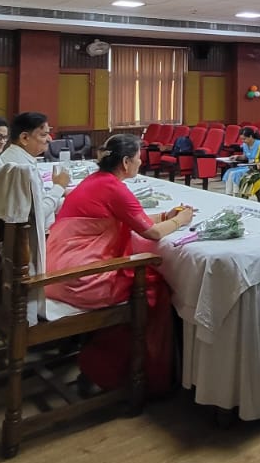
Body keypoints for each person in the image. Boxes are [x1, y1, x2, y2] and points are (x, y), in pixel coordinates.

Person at [47, 134, 193, 395]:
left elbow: (130, 218)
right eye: (138, 158)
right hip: (79, 279)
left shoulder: (96, 181)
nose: (141, 162)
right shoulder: (114, 188)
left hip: (58, 269)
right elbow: (152, 234)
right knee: (154, 287)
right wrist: (181, 220)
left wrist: (165, 215)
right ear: (126, 162)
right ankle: (130, 371)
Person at [1, 111, 72, 229]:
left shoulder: (13, 156)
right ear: (24, 138)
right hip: (36, 235)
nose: (50, 139)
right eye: (44, 135)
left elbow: (40, 204)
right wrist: (59, 187)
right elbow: (37, 216)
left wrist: (68, 196)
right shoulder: (21, 168)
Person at [221, 126, 260, 194]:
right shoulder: (245, 145)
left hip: (255, 167)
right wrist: (237, 157)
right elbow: (245, 156)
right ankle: (228, 193)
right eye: (242, 139)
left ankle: (236, 193)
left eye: (244, 139)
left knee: (235, 174)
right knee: (229, 172)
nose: (243, 141)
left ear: (251, 136)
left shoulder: (259, 144)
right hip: (247, 166)